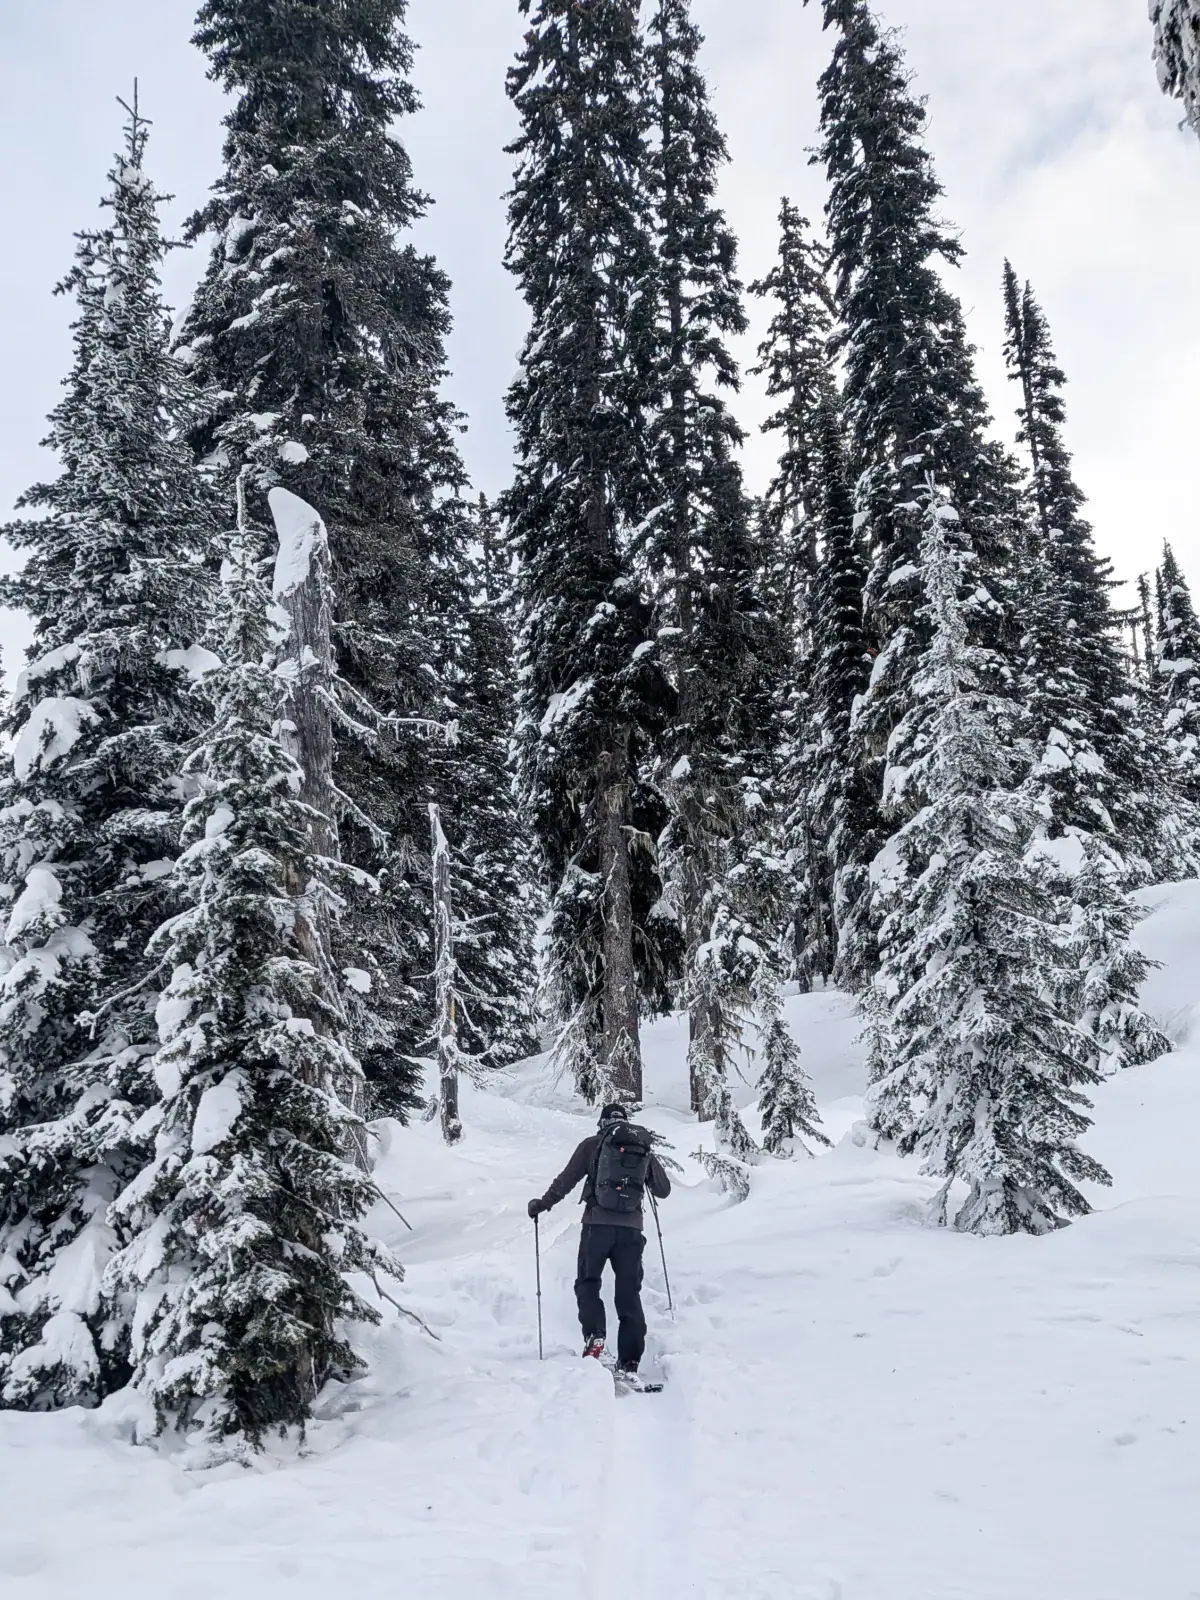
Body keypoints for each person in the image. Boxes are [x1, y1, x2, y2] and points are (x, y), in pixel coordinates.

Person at [527, 1103, 671, 1376]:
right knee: (629, 1293)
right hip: (631, 1232)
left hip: (596, 1227)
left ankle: (595, 1336)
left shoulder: (592, 1145)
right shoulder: (641, 1148)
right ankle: (629, 1362)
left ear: (602, 1123)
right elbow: (663, 1190)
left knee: (588, 1282)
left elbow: (565, 1181)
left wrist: (541, 1205)